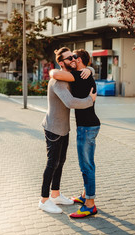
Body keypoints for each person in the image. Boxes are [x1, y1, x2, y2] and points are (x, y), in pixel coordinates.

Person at [39, 47, 97, 214]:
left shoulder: (70, 77)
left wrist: (89, 68)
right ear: (61, 62)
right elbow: (70, 102)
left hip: (64, 128)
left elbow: (83, 71)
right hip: (54, 128)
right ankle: (44, 200)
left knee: (61, 161)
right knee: (52, 163)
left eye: (74, 57)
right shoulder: (59, 81)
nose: (73, 59)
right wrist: (89, 100)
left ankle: (55, 194)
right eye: (69, 58)